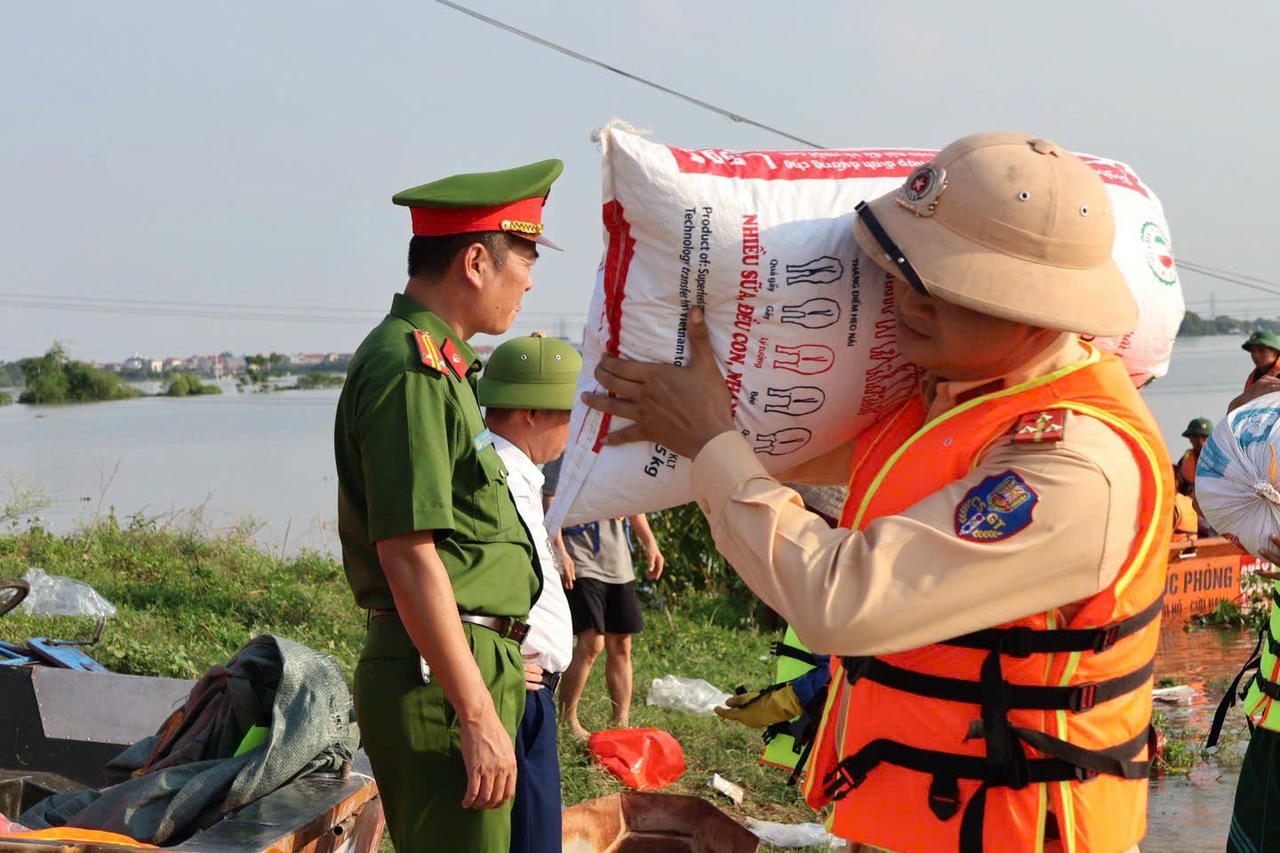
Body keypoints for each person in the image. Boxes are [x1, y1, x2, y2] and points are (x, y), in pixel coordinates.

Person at [584, 132, 1171, 852]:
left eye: (943, 282)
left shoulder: (1076, 464)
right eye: (901, 266)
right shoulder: (948, 401)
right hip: (917, 819)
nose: (904, 295)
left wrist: (712, 441)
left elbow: (842, 599)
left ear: (1036, 307)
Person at [333, 159, 562, 853]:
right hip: (440, 681)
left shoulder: (446, 368)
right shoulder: (412, 370)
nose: (529, 281)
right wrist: (474, 709)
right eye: (524, 259)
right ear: (474, 261)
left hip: (464, 663)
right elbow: (409, 552)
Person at [475, 332, 582, 853]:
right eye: (568, 414)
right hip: (514, 685)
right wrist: (507, 656)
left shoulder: (518, 472)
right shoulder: (488, 473)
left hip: (529, 685)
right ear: (531, 413)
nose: (574, 430)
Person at [542, 466, 664, 739]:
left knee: (621, 643)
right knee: (591, 642)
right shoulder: (568, 442)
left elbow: (633, 502)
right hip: (580, 555)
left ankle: (621, 722)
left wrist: (650, 543)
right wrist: (559, 551)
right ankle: (567, 718)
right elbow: (549, 498)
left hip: (617, 558)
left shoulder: (618, 446)